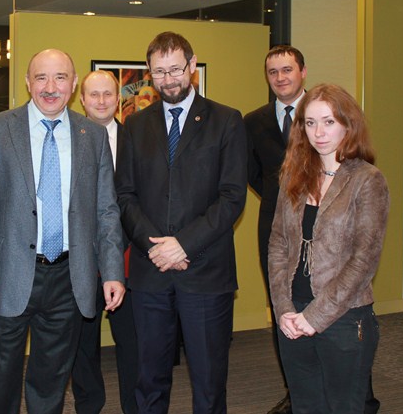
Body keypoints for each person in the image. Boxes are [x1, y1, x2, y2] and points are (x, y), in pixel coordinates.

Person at [0, 49, 126, 414]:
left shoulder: (93, 136)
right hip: (8, 274)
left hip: (69, 277)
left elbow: (106, 210)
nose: (50, 87)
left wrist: (112, 271)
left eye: (60, 78)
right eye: (41, 77)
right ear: (28, 83)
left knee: (50, 383)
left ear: (73, 84)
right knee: (0, 382)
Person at [116, 31, 248, 414]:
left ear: (192, 66)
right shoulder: (135, 124)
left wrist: (183, 244)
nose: (169, 79)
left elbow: (232, 197)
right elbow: (124, 195)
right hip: (150, 273)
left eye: (175, 69)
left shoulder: (226, 121)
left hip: (205, 273)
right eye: (159, 72)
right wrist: (154, 247)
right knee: (149, 380)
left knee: (208, 383)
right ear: (149, 72)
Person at [245, 46, 380, 414]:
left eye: (329, 122)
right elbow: (277, 244)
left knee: (343, 405)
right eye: (310, 123)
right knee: (305, 405)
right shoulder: (294, 175)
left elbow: (363, 260)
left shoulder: (366, 180)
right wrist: (284, 309)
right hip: (293, 315)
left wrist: (313, 318)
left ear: (348, 124)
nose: (319, 132)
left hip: (343, 317)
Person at [72, 70, 139, 414]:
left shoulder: (137, 141)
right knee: (83, 345)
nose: (101, 101)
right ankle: (89, 406)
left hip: (129, 257)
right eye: (93, 95)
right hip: (79, 260)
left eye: (108, 94)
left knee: (133, 343)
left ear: (118, 98)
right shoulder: (67, 139)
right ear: (82, 99)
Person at [244, 45, 306, 414]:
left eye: (287, 70)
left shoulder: (325, 112)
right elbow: (252, 172)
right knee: (282, 307)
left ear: (302, 72)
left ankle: (355, 394)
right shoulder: (253, 121)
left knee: (329, 307)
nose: (280, 78)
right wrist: (277, 197)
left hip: (321, 225)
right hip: (273, 226)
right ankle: (294, 392)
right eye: (273, 72)